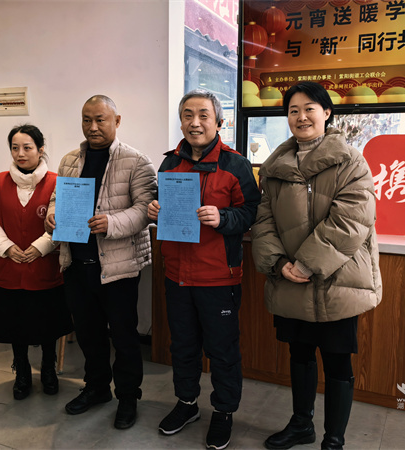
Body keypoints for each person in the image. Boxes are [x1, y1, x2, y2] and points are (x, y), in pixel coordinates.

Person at [251, 81, 382, 450]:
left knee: (337, 362)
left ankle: (334, 440)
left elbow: (352, 220)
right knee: (300, 354)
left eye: (309, 108)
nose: (301, 116)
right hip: (290, 279)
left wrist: (307, 264)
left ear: (327, 112)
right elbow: (263, 221)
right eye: (293, 110)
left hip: (339, 280)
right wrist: (279, 263)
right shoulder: (274, 167)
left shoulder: (350, 161)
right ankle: (301, 425)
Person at [147, 89, 260, 450]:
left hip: (218, 277)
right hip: (176, 274)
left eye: (203, 115)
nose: (194, 123)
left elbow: (252, 213)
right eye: (187, 115)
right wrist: (154, 209)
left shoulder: (235, 164)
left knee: (222, 351)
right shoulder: (169, 164)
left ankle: (223, 411)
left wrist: (222, 217)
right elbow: (162, 204)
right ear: (181, 121)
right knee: (182, 345)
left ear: (218, 122)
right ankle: (187, 403)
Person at [44, 95, 157, 430]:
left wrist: (112, 222)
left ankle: (127, 397)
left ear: (117, 121)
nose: (92, 127)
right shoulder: (69, 160)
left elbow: (145, 210)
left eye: (100, 120)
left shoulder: (136, 161)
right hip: (77, 263)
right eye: (86, 120)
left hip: (118, 267)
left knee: (123, 337)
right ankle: (96, 388)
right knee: (89, 334)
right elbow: (57, 199)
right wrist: (51, 215)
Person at [0, 124, 73, 401]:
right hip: (10, 265)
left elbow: (63, 219)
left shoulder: (57, 181)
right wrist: (7, 247)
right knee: (15, 323)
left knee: (47, 324)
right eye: (15, 148)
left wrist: (40, 247)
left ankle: (48, 369)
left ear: (40, 150)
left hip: (44, 265)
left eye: (27, 147)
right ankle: (21, 370)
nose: (20, 153)